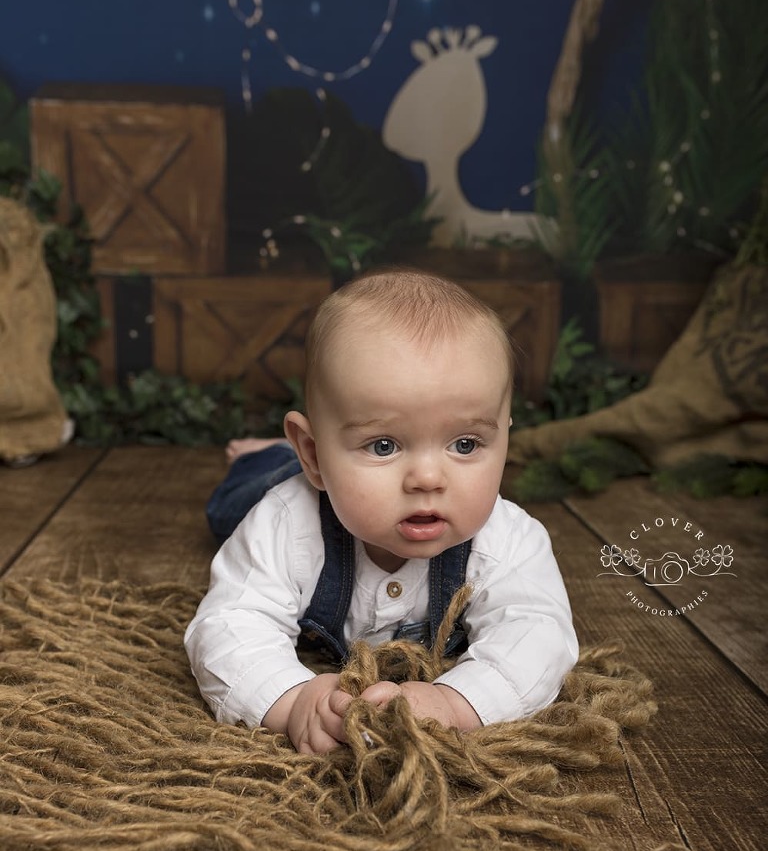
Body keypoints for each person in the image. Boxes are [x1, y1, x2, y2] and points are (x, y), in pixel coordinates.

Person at [185, 269, 578, 754]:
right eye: (385, 445)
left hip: (328, 470)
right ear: (314, 454)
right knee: (233, 502)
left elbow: (537, 633)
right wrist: (289, 700)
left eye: (465, 443)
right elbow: (230, 624)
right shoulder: (285, 522)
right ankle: (267, 456)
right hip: (280, 486)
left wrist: (458, 704)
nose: (428, 478)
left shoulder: (508, 538)